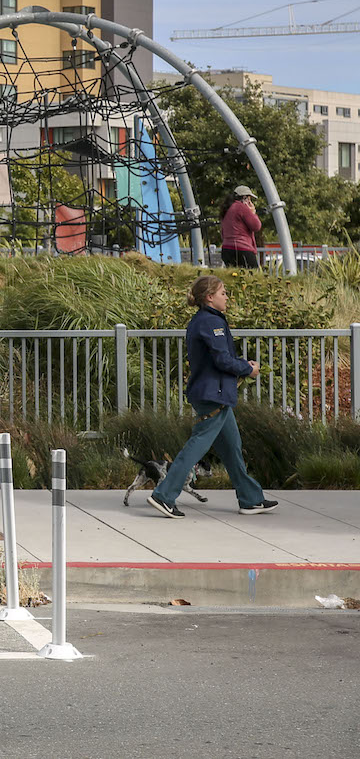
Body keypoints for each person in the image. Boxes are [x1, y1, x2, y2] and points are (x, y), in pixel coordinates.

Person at [147, 274, 277, 519]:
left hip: (215, 393)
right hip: (213, 395)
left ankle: (250, 499)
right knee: (196, 447)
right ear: (209, 297)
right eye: (223, 293)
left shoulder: (207, 320)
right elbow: (220, 359)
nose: (227, 297)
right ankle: (163, 496)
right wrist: (248, 369)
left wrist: (241, 364)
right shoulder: (209, 322)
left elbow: (217, 357)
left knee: (232, 449)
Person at [220, 185, 262, 269]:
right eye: (249, 199)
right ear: (244, 198)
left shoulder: (227, 209)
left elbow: (223, 233)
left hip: (227, 249)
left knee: (234, 277)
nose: (250, 203)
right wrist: (253, 213)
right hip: (242, 249)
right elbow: (256, 226)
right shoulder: (241, 207)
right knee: (252, 276)